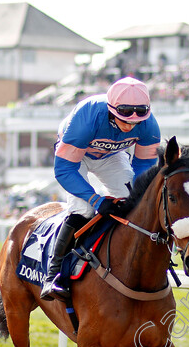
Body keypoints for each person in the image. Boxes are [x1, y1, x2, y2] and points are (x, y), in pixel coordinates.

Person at [40, 77, 161, 301]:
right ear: (111, 108)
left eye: (138, 120)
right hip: (77, 155)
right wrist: (97, 201)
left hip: (111, 156)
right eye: (124, 117)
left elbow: (143, 167)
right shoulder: (88, 117)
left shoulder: (150, 125)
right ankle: (52, 275)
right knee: (84, 209)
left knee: (130, 203)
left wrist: (134, 196)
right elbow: (64, 169)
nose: (131, 125)